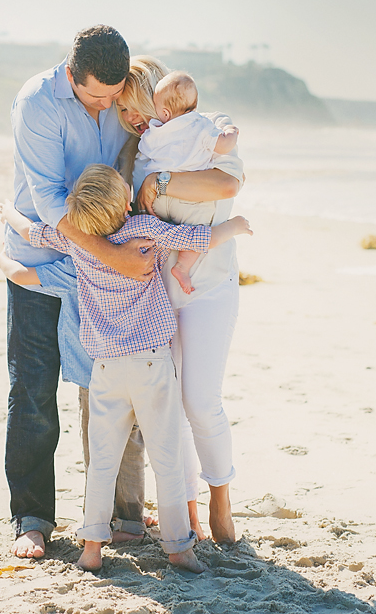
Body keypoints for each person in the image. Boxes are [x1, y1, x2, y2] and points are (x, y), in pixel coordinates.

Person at [0, 164, 252, 571]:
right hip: (151, 365)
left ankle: (92, 548)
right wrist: (234, 226)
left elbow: (31, 236)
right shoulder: (144, 231)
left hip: (105, 371)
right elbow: (196, 238)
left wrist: (7, 220)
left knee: (102, 461)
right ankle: (178, 548)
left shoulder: (79, 243)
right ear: (123, 203)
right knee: (166, 457)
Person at [4, 25, 153, 559]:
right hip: (44, 255)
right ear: (72, 76)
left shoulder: (121, 95)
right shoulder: (38, 102)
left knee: (111, 392)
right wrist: (111, 256)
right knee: (35, 392)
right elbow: (47, 198)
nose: (108, 105)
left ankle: (122, 514)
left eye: (114, 96)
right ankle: (33, 518)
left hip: (107, 278)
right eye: (96, 96)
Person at [116, 55, 246, 544]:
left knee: (201, 400)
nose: (138, 119)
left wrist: (160, 182)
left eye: (141, 106)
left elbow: (226, 182)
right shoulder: (142, 150)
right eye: (127, 112)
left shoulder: (205, 130)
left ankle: (221, 499)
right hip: (157, 293)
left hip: (210, 284)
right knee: (168, 406)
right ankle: (187, 510)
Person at [139, 70, 240, 294]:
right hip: (190, 201)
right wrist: (231, 132)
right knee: (198, 231)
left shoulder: (154, 132)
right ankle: (183, 266)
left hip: (157, 202)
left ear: (163, 112)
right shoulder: (200, 125)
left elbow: (145, 149)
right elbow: (223, 146)